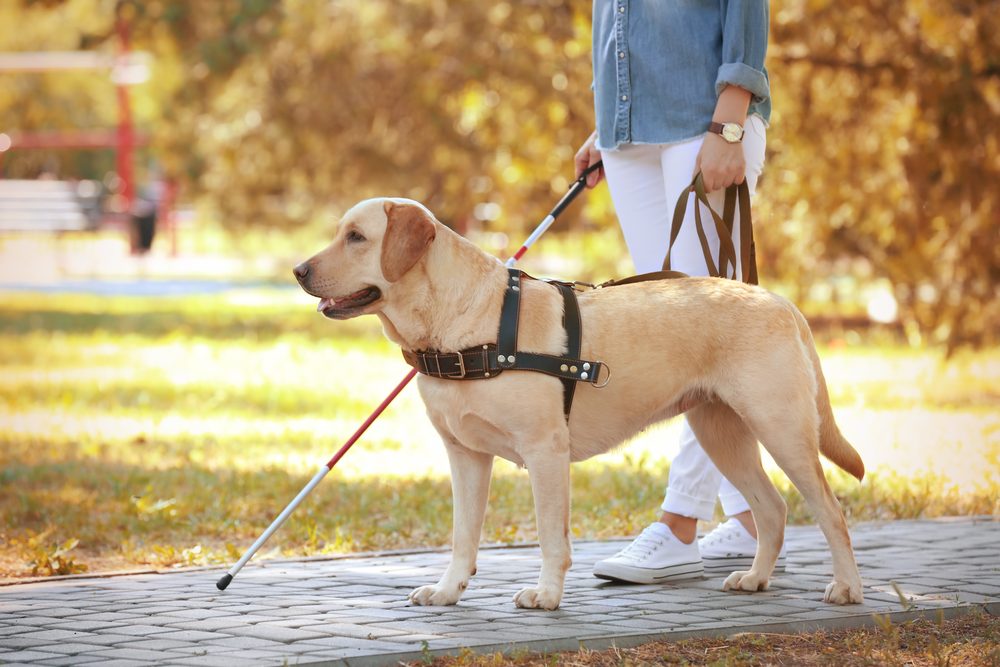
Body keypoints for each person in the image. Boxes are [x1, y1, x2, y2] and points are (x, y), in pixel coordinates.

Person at [574, 0, 786, 584]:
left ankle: (680, 522)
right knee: (672, 335)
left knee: (702, 335)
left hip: (703, 124)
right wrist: (613, 120)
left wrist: (731, 120)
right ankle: (747, 518)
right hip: (629, 135)